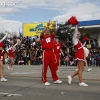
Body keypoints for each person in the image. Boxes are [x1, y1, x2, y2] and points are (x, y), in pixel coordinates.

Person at [40, 21, 62, 86]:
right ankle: (44, 80)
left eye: (48, 30)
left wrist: (55, 26)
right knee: (45, 67)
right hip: (46, 52)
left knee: (53, 66)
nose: (47, 31)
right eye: (46, 30)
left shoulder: (51, 37)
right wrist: (47, 26)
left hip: (51, 52)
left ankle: (55, 79)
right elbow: (41, 33)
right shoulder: (42, 37)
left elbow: (55, 32)